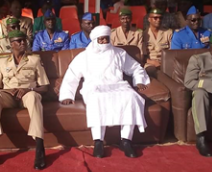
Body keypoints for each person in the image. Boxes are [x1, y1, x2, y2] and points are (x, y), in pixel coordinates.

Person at [60, 25, 150, 158]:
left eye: (106, 39)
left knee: (131, 97)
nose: (103, 42)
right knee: (96, 100)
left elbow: (135, 68)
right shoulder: (84, 56)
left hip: (117, 85)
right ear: (95, 40)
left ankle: (126, 140)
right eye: (100, 40)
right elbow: (71, 75)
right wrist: (67, 95)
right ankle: (98, 142)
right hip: (94, 87)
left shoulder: (119, 53)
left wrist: (139, 81)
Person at [0, 30, 50, 170]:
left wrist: (28, 90)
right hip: (9, 95)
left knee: (34, 97)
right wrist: (6, 91)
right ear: (11, 44)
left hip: (27, 94)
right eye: (19, 41)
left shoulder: (34, 59)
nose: (23, 43)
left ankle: (39, 148)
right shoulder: (2, 61)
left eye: (24, 40)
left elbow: (44, 87)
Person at [144, 7, 173, 75]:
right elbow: (142, 56)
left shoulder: (168, 32)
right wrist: (152, 62)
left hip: (165, 62)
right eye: (155, 18)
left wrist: (163, 63)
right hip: (149, 64)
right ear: (149, 19)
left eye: (160, 18)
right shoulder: (143, 34)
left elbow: (172, 53)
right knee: (151, 71)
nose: (158, 20)